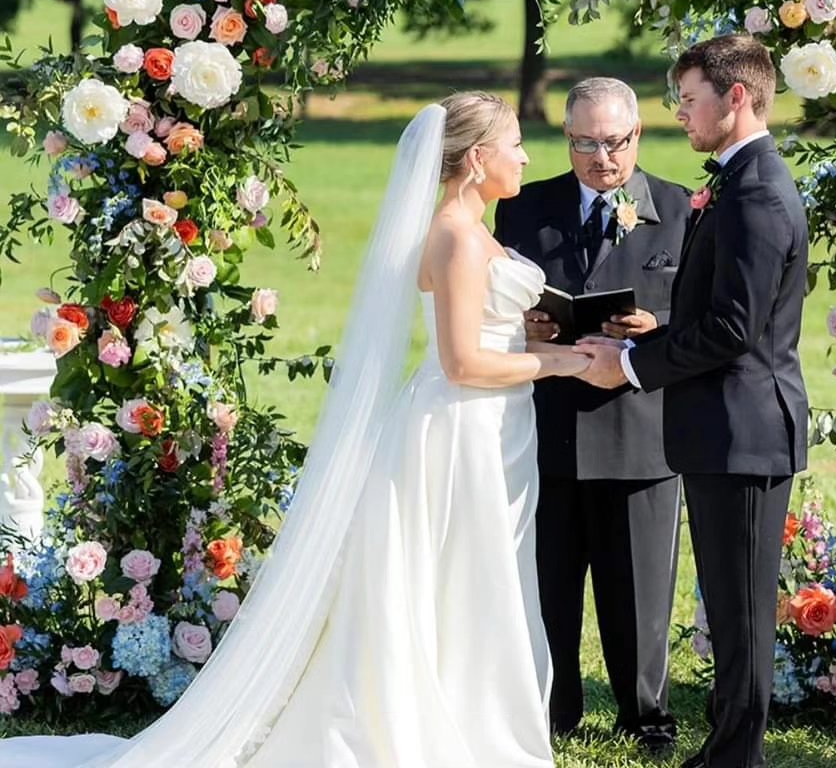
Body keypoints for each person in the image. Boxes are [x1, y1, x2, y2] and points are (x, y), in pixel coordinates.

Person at [2, 92, 589, 768]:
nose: (524, 155)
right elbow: (460, 362)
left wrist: (533, 333)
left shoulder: (474, 226)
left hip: (495, 426)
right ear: (479, 157)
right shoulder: (456, 233)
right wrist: (564, 360)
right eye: (515, 142)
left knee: (478, 576)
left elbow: (483, 326)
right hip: (459, 431)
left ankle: (471, 713)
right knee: (462, 575)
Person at [577, 36, 809, 768]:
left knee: (740, 612)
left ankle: (735, 757)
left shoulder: (759, 191)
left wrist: (636, 367)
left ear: (735, 97)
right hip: (723, 430)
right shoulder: (739, 182)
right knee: (729, 606)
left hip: (743, 433)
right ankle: (730, 747)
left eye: (688, 98)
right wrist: (653, 337)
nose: (680, 113)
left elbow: (738, 330)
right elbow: (727, 314)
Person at [494, 77, 690, 754]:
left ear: (637, 135)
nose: (599, 156)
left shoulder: (680, 209)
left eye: (612, 141)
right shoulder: (525, 209)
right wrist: (528, 325)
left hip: (643, 432)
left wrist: (653, 323)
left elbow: (706, 322)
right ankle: (553, 708)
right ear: (567, 138)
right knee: (548, 580)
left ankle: (646, 715)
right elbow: (493, 304)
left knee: (637, 589)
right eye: (583, 141)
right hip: (546, 426)